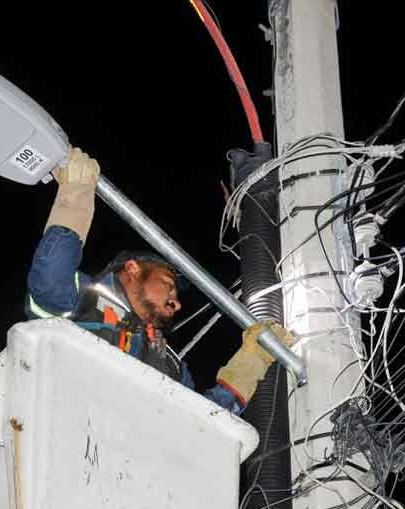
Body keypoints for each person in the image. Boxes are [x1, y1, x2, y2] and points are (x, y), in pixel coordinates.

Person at [25, 147, 294, 415]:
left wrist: (252, 361)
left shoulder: (170, 365)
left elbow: (204, 420)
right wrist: (76, 194)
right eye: (168, 282)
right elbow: (49, 281)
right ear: (132, 269)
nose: (176, 302)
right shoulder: (83, 301)